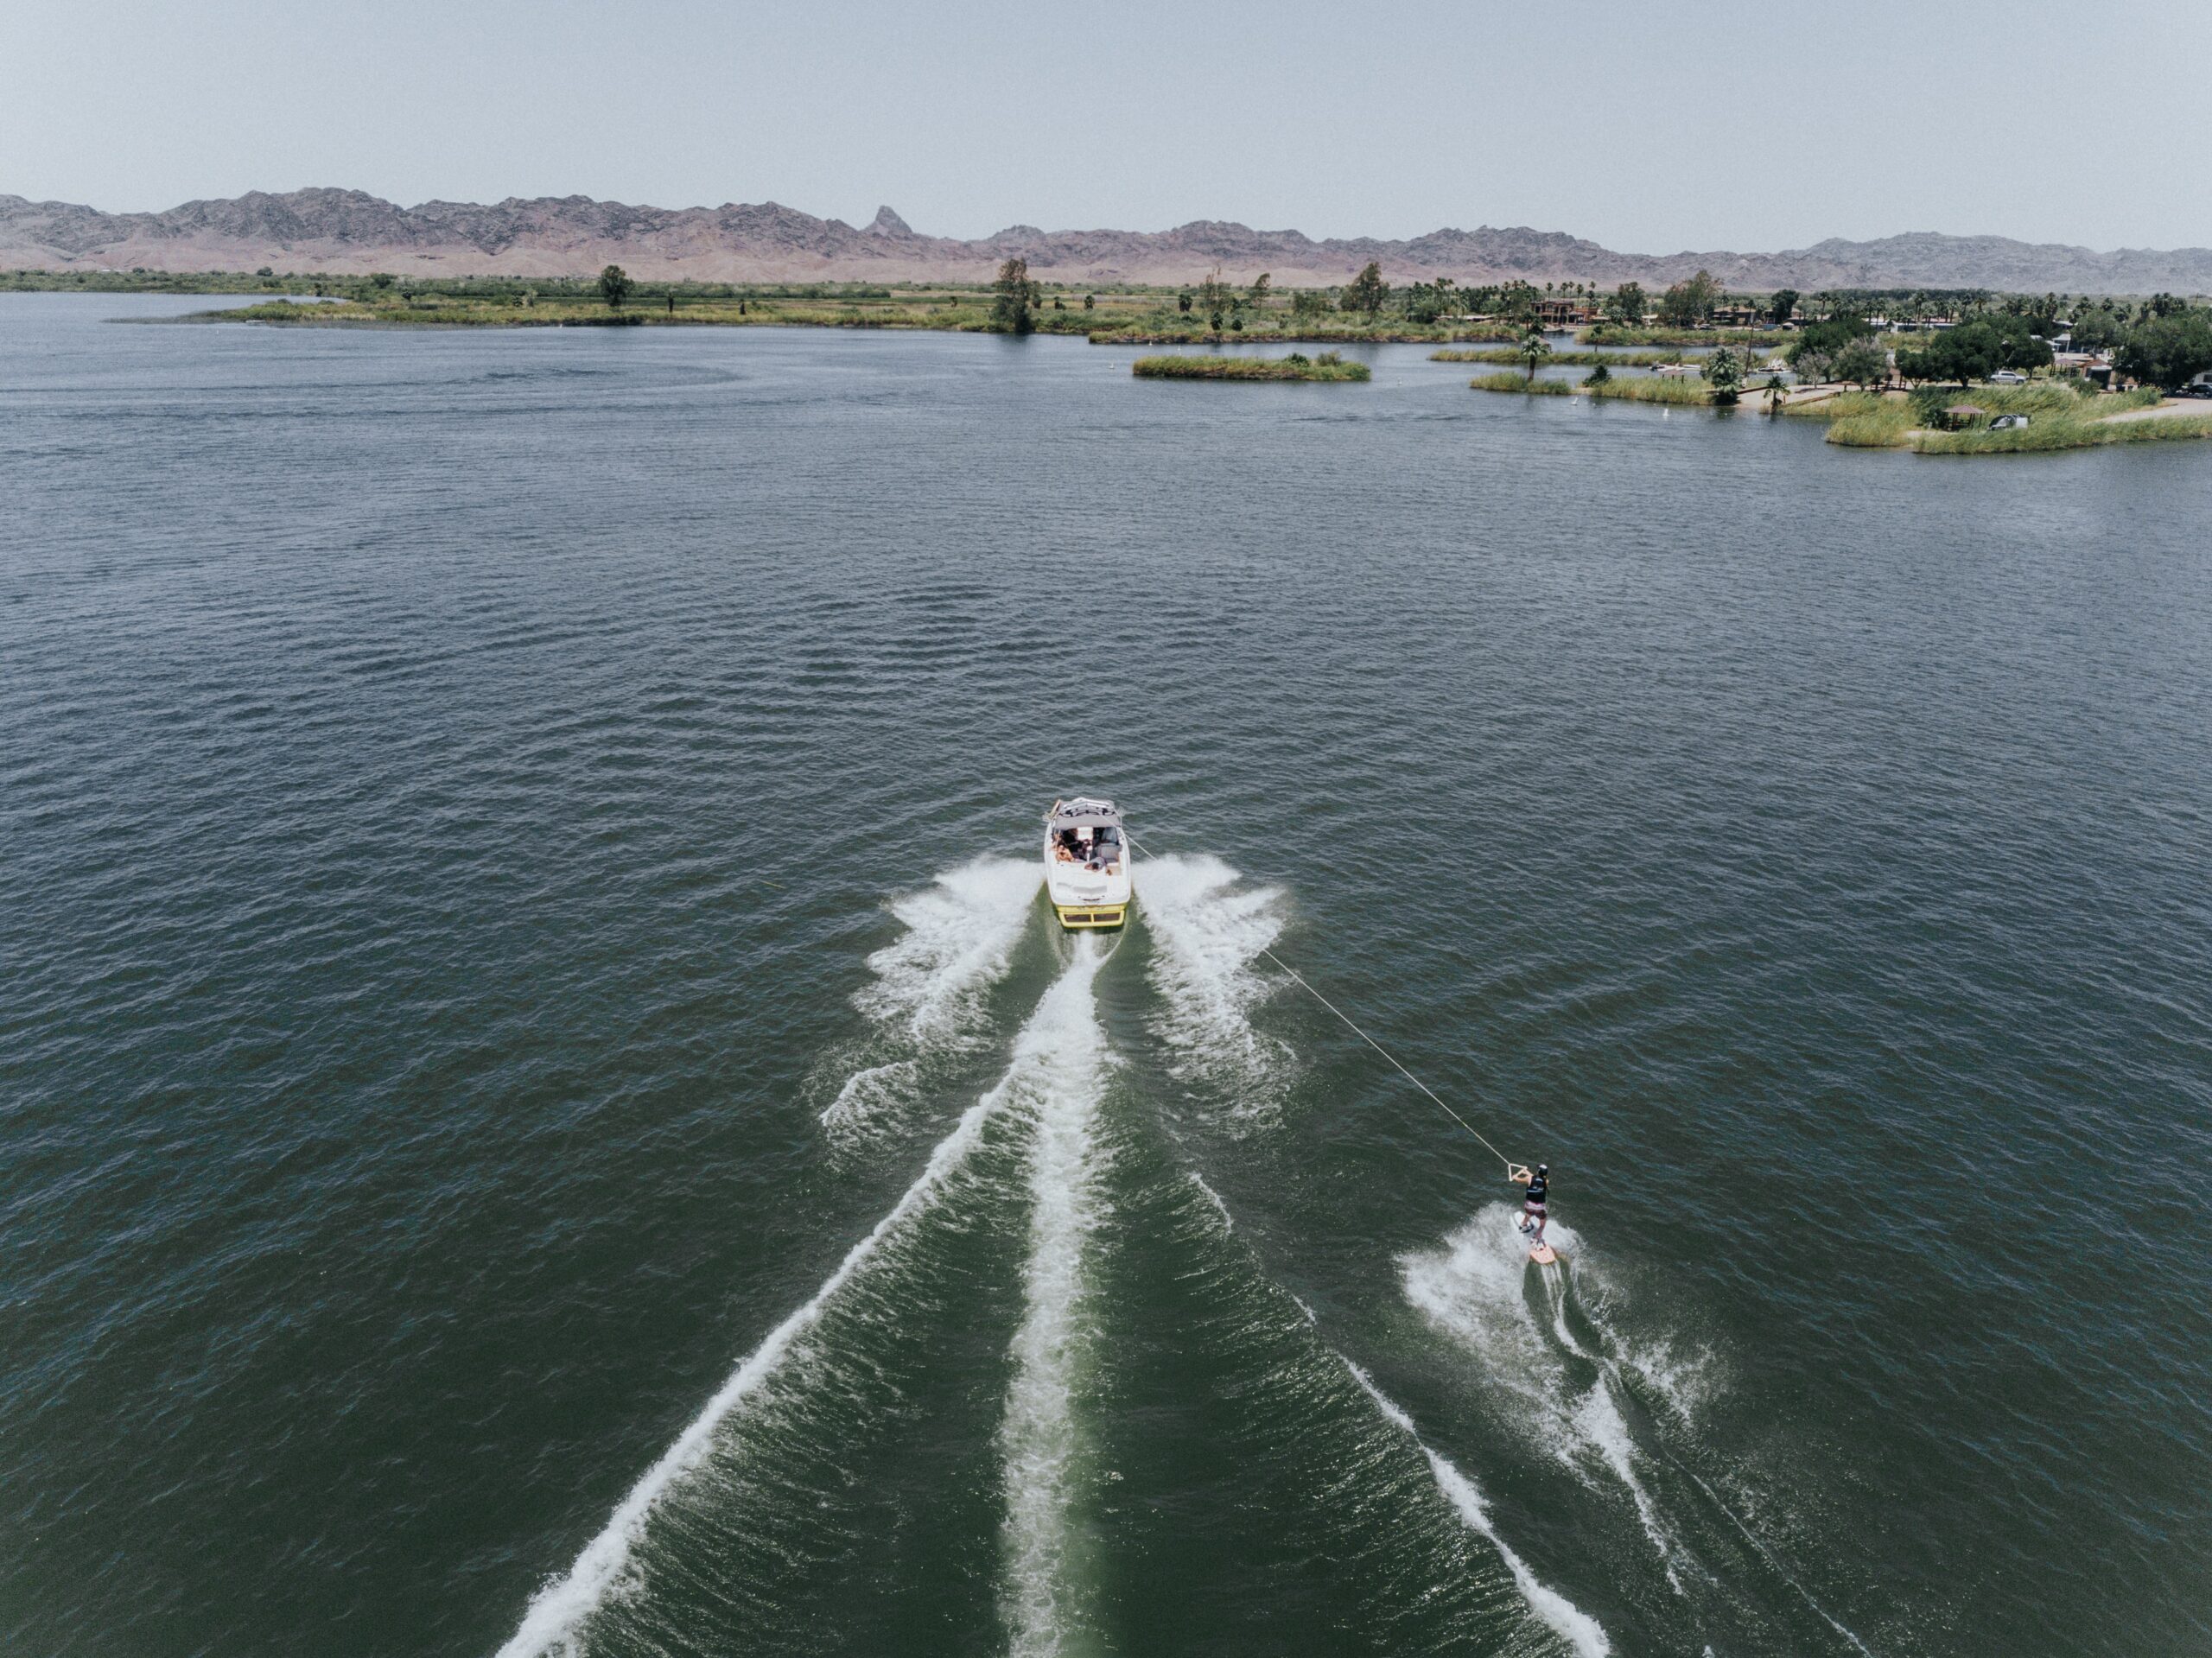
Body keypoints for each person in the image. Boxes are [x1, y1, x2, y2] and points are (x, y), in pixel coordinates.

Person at [1509, 1162, 1550, 1248]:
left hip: (1529, 1206)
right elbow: (1539, 1178)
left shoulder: (1529, 1178)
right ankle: (1535, 1240)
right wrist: (1526, 1172)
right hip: (1540, 1209)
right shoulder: (1546, 1181)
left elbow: (1519, 1179)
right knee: (1542, 1225)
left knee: (1529, 1214)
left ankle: (1522, 1225)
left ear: (1538, 1171)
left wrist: (1514, 1177)